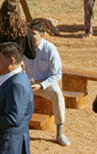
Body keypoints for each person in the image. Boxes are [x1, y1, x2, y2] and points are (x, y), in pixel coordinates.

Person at [24, 18, 69, 146]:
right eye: (28, 33)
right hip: (28, 82)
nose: (30, 37)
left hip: (45, 83)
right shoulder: (25, 47)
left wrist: (41, 85)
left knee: (56, 93)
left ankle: (60, 132)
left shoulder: (50, 49)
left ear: (41, 35)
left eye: (32, 34)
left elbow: (56, 74)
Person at [0, 0, 36, 66]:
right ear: (18, 12)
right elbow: (32, 54)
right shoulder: (24, 30)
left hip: (0, 71)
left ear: (1, 11)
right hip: (16, 70)